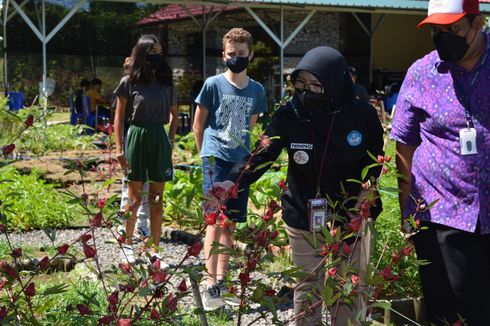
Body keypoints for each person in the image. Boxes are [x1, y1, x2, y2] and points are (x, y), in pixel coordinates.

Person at [225, 46, 384, 325]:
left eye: (315, 85)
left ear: (335, 83)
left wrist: (367, 193)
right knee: (308, 289)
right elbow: (264, 153)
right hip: (303, 215)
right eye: (301, 84)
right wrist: (234, 180)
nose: (306, 92)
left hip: (352, 217)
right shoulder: (291, 114)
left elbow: (376, 159)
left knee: (349, 290)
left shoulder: (362, 115)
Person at [390, 0, 490, 324]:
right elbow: (404, 145)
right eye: (436, 31)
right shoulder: (421, 74)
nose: (444, 37)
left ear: (478, 24)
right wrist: (407, 208)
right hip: (441, 210)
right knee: (448, 310)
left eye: (453, 29)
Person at [192, 27, 267, 311]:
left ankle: (221, 277)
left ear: (251, 54)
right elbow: (199, 124)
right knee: (214, 219)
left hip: (239, 162)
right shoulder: (212, 85)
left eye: (242, 54)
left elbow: (250, 126)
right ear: (224, 54)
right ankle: (210, 280)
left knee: (231, 221)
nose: (236, 58)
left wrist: (243, 158)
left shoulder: (257, 90)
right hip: (215, 158)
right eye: (231, 54)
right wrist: (205, 155)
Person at [114, 35, 175, 265]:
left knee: (157, 198)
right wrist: (119, 150)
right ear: (142, 53)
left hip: (158, 138)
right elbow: (119, 119)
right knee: (134, 197)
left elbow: (175, 115)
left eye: (160, 50)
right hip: (137, 137)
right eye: (152, 51)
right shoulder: (128, 82)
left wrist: (170, 142)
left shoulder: (166, 82)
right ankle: (128, 245)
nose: (157, 55)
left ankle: (154, 250)